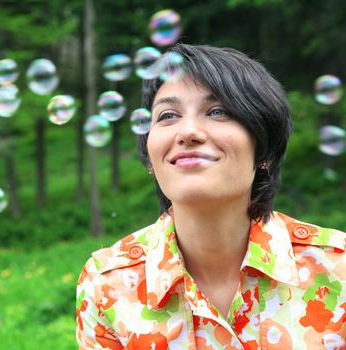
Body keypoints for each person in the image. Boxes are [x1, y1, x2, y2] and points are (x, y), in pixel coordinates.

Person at [75, 44, 346, 349]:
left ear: (264, 150)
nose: (188, 131)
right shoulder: (107, 285)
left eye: (218, 111)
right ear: (151, 156)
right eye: (167, 115)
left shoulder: (339, 270)